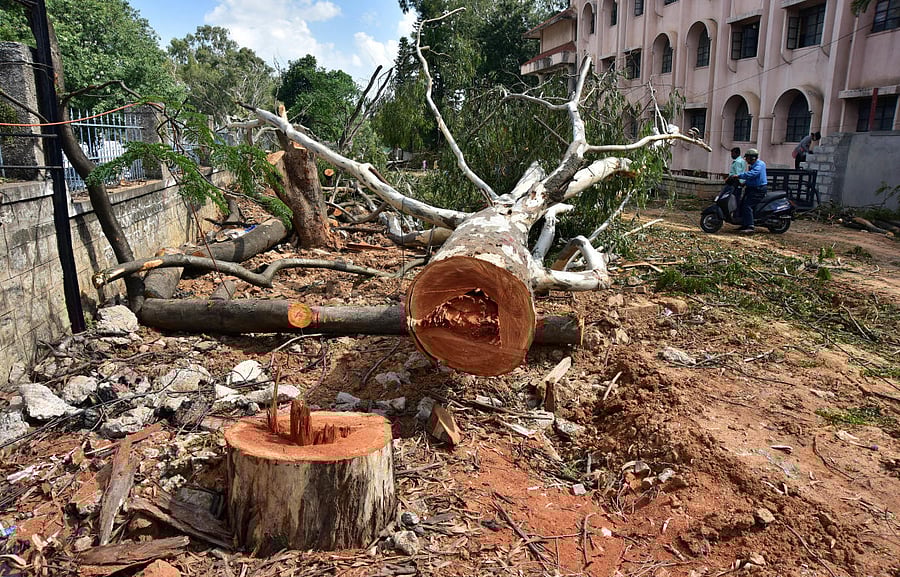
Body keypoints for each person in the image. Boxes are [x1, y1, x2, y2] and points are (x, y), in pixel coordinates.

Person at [733, 148, 767, 233]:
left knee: (747, 206)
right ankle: (744, 224)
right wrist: (743, 183)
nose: (746, 160)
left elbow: (753, 174)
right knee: (742, 204)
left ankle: (750, 226)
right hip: (751, 189)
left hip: (758, 190)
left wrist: (739, 176)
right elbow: (751, 178)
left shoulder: (760, 165)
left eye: (747, 158)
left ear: (753, 158)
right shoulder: (752, 165)